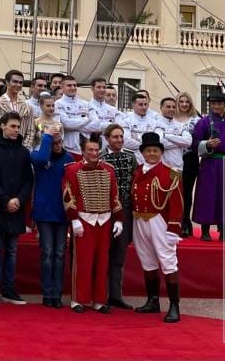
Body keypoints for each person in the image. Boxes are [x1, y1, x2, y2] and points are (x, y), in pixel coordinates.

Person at [62, 133, 122, 313]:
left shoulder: (109, 169)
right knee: (83, 261)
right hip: (84, 220)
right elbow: (67, 196)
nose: (94, 153)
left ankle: (100, 300)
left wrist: (118, 220)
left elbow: (115, 195)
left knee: (102, 262)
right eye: (90, 150)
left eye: (96, 149)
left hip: (104, 221)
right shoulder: (72, 170)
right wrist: (74, 219)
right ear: (83, 151)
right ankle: (78, 299)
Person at [130, 132, 183, 323]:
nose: (152, 154)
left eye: (155, 150)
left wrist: (173, 230)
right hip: (140, 220)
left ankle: (174, 305)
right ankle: (153, 301)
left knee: (168, 262)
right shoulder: (137, 171)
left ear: (161, 152)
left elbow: (177, 204)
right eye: (148, 150)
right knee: (148, 261)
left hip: (159, 221)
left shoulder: (171, 173)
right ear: (143, 153)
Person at [0, 111, 33, 305]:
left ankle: (9, 290)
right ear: (2, 125)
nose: (15, 130)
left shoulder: (24, 152)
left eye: (18, 127)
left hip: (16, 208)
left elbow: (28, 179)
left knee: (12, 250)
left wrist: (18, 200)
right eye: (12, 126)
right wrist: (5, 201)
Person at [31, 123, 74, 308]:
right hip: (44, 212)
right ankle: (47, 293)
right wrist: (47, 138)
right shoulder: (38, 155)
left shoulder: (68, 158)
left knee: (59, 253)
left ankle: (57, 294)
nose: (57, 145)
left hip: (62, 212)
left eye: (59, 141)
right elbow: (40, 160)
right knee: (47, 252)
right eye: (53, 142)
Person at [191, 88, 225, 242]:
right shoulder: (203, 122)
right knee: (208, 195)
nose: (216, 106)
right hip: (210, 163)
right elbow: (193, 143)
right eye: (213, 103)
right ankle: (205, 230)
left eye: (219, 103)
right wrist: (207, 144)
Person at [101, 123, 137, 309]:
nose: (119, 140)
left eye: (121, 136)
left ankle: (116, 295)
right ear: (107, 139)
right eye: (115, 137)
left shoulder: (131, 157)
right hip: (104, 210)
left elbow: (135, 182)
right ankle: (101, 295)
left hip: (125, 209)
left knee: (119, 254)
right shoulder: (100, 157)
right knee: (103, 253)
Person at [0, 70, 36, 149]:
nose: (18, 85)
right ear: (7, 82)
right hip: (0, 149)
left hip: (21, 149)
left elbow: (31, 130)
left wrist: (24, 148)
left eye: (20, 83)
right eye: (15, 82)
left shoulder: (28, 107)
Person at [175, 91, 201, 236]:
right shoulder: (170, 118)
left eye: (187, 102)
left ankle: (185, 221)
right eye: (181, 102)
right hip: (172, 158)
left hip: (190, 158)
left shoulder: (195, 120)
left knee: (186, 191)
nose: (184, 104)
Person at [120, 90, 164, 164]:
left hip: (152, 161)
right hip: (134, 161)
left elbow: (159, 138)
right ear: (133, 105)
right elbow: (126, 142)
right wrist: (148, 144)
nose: (144, 107)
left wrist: (139, 142)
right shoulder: (126, 121)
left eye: (146, 104)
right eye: (140, 104)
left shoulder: (155, 122)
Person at [157, 96, 193, 171]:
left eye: (173, 107)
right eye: (168, 107)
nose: (171, 109)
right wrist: (180, 143)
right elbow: (160, 144)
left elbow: (188, 142)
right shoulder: (155, 124)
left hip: (178, 167)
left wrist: (166, 136)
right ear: (161, 108)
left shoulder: (180, 125)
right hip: (161, 167)